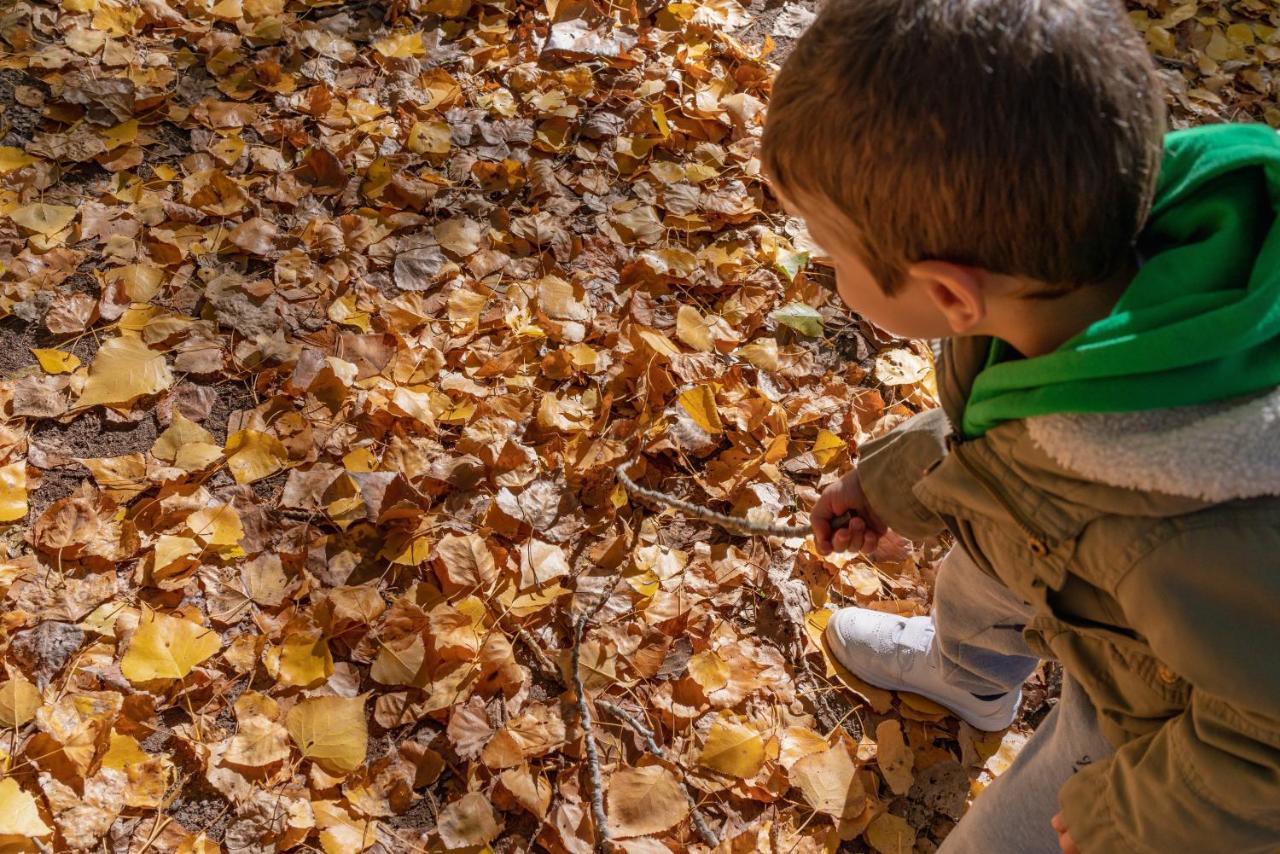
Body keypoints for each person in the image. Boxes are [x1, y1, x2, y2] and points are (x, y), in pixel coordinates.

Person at [761, 1, 1280, 852]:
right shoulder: (1080, 253)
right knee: (974, 590)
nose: (828, 269)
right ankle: (966, 682)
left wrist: (1126, 810)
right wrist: (891, 483)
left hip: (1146, 723)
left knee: (1017, 830)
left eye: (831, 254)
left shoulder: (1197, 528)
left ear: (950, 296)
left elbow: (1267, 737)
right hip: (1045, 548)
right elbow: (1026, 419)